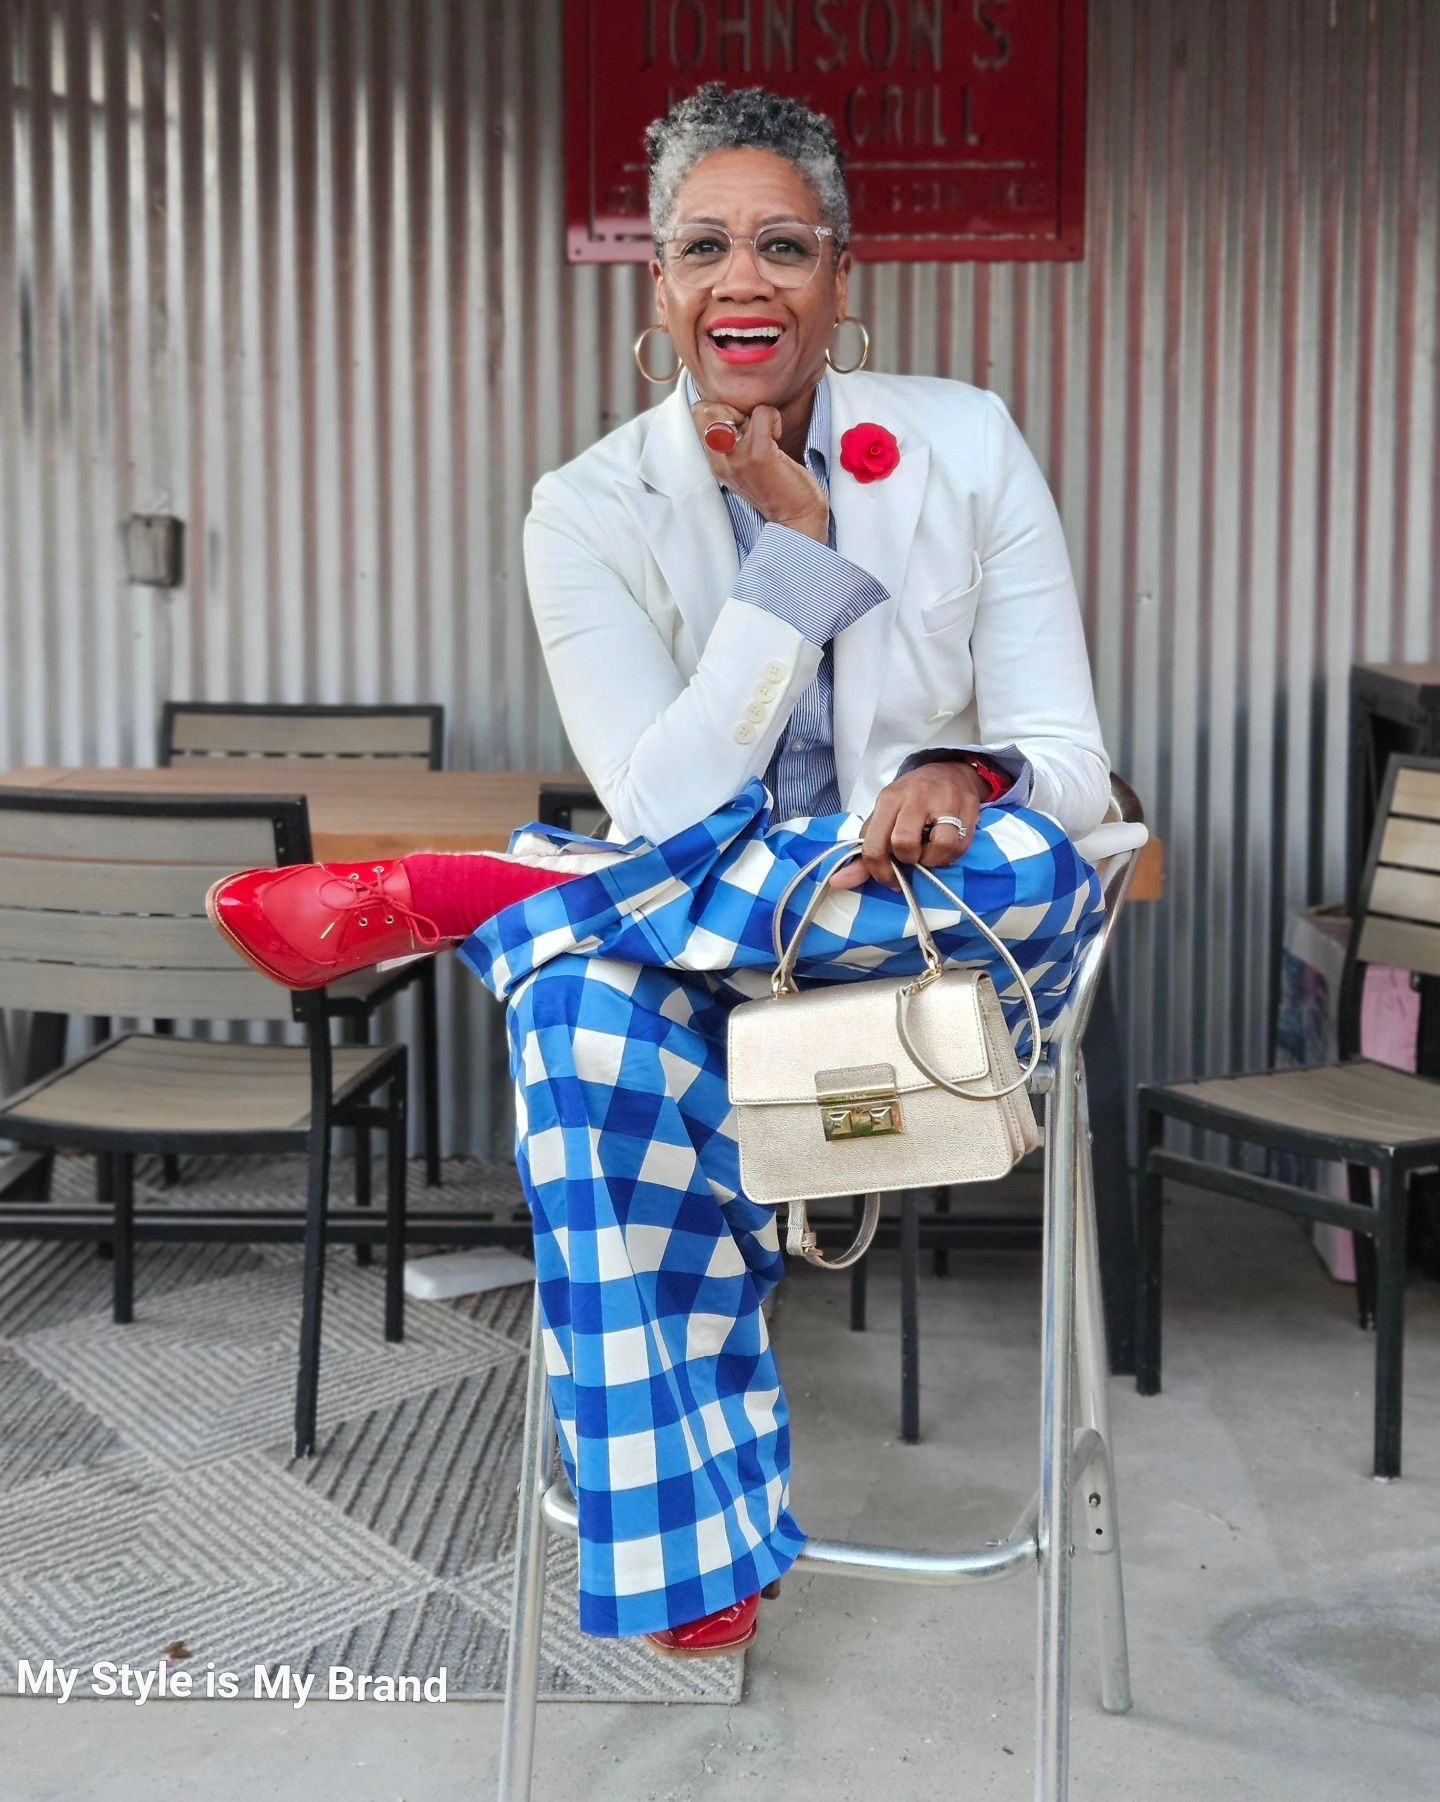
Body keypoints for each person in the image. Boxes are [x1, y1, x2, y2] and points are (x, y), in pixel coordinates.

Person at [207, 83, 1110, 1660]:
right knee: (574, 1021)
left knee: (1051, 853)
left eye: (782, 244)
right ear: (658, 288)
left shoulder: (964, 442)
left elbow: (1076, 762)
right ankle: (697, 1546)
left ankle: (504, 896)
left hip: (937, 959)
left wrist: (963, 773)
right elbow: (664, 793)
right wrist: (795, 558)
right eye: (704, 246)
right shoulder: (588, 508)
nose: (740, 279)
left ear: (842, 275)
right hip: (711, 965)